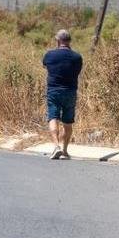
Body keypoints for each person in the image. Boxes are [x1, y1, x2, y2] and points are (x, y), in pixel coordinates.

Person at [43, 29, 83, 160]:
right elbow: (77, 72)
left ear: (58, 40)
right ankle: (65, 151)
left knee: (53, 117)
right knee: (68, 123)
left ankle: (56, 147)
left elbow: (46, 67)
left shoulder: (49, 55)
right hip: (70, 91)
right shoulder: (77, 57)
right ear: (69, 41)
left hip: (54, 91)